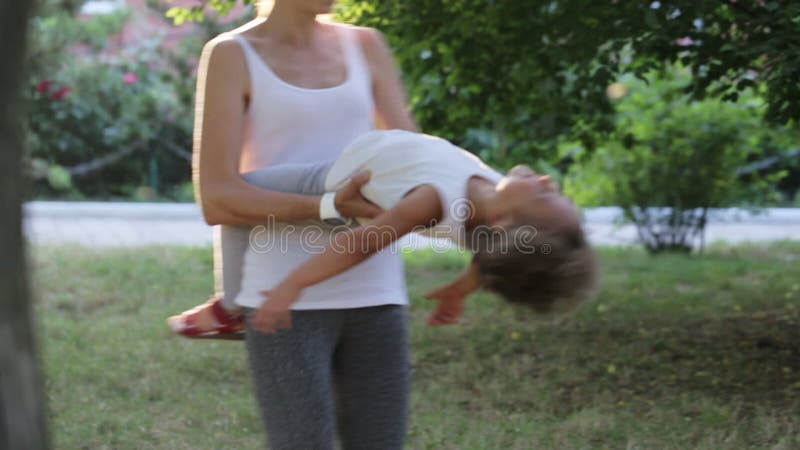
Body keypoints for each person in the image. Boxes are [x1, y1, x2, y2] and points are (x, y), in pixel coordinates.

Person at [177, 0, 418, 448]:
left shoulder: (366, 45)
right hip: (281, 301)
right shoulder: (233, 54)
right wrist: (327, 205)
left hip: (378, 289)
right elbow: (217, 199)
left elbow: (414, 166)